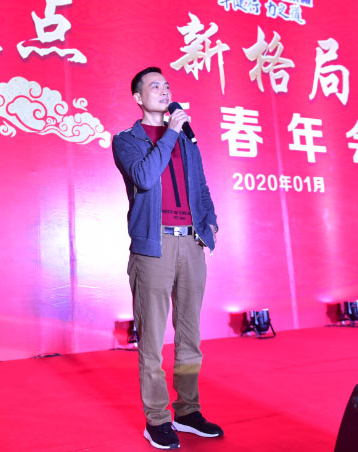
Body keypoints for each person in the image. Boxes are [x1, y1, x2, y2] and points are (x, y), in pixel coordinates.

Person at [112, 67, 223, 449]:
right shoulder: (126, 141)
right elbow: (145, 177)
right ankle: (157, 419)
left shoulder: (187, 141)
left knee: (190, 337)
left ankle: (188, 411)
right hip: (153, 247)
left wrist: (209, 223)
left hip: (190, 243)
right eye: (154, 86)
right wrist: (171, 132)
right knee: (153, 342)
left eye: (167, 86)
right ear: (138, 98)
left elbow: (201, 186)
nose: (163, 91)